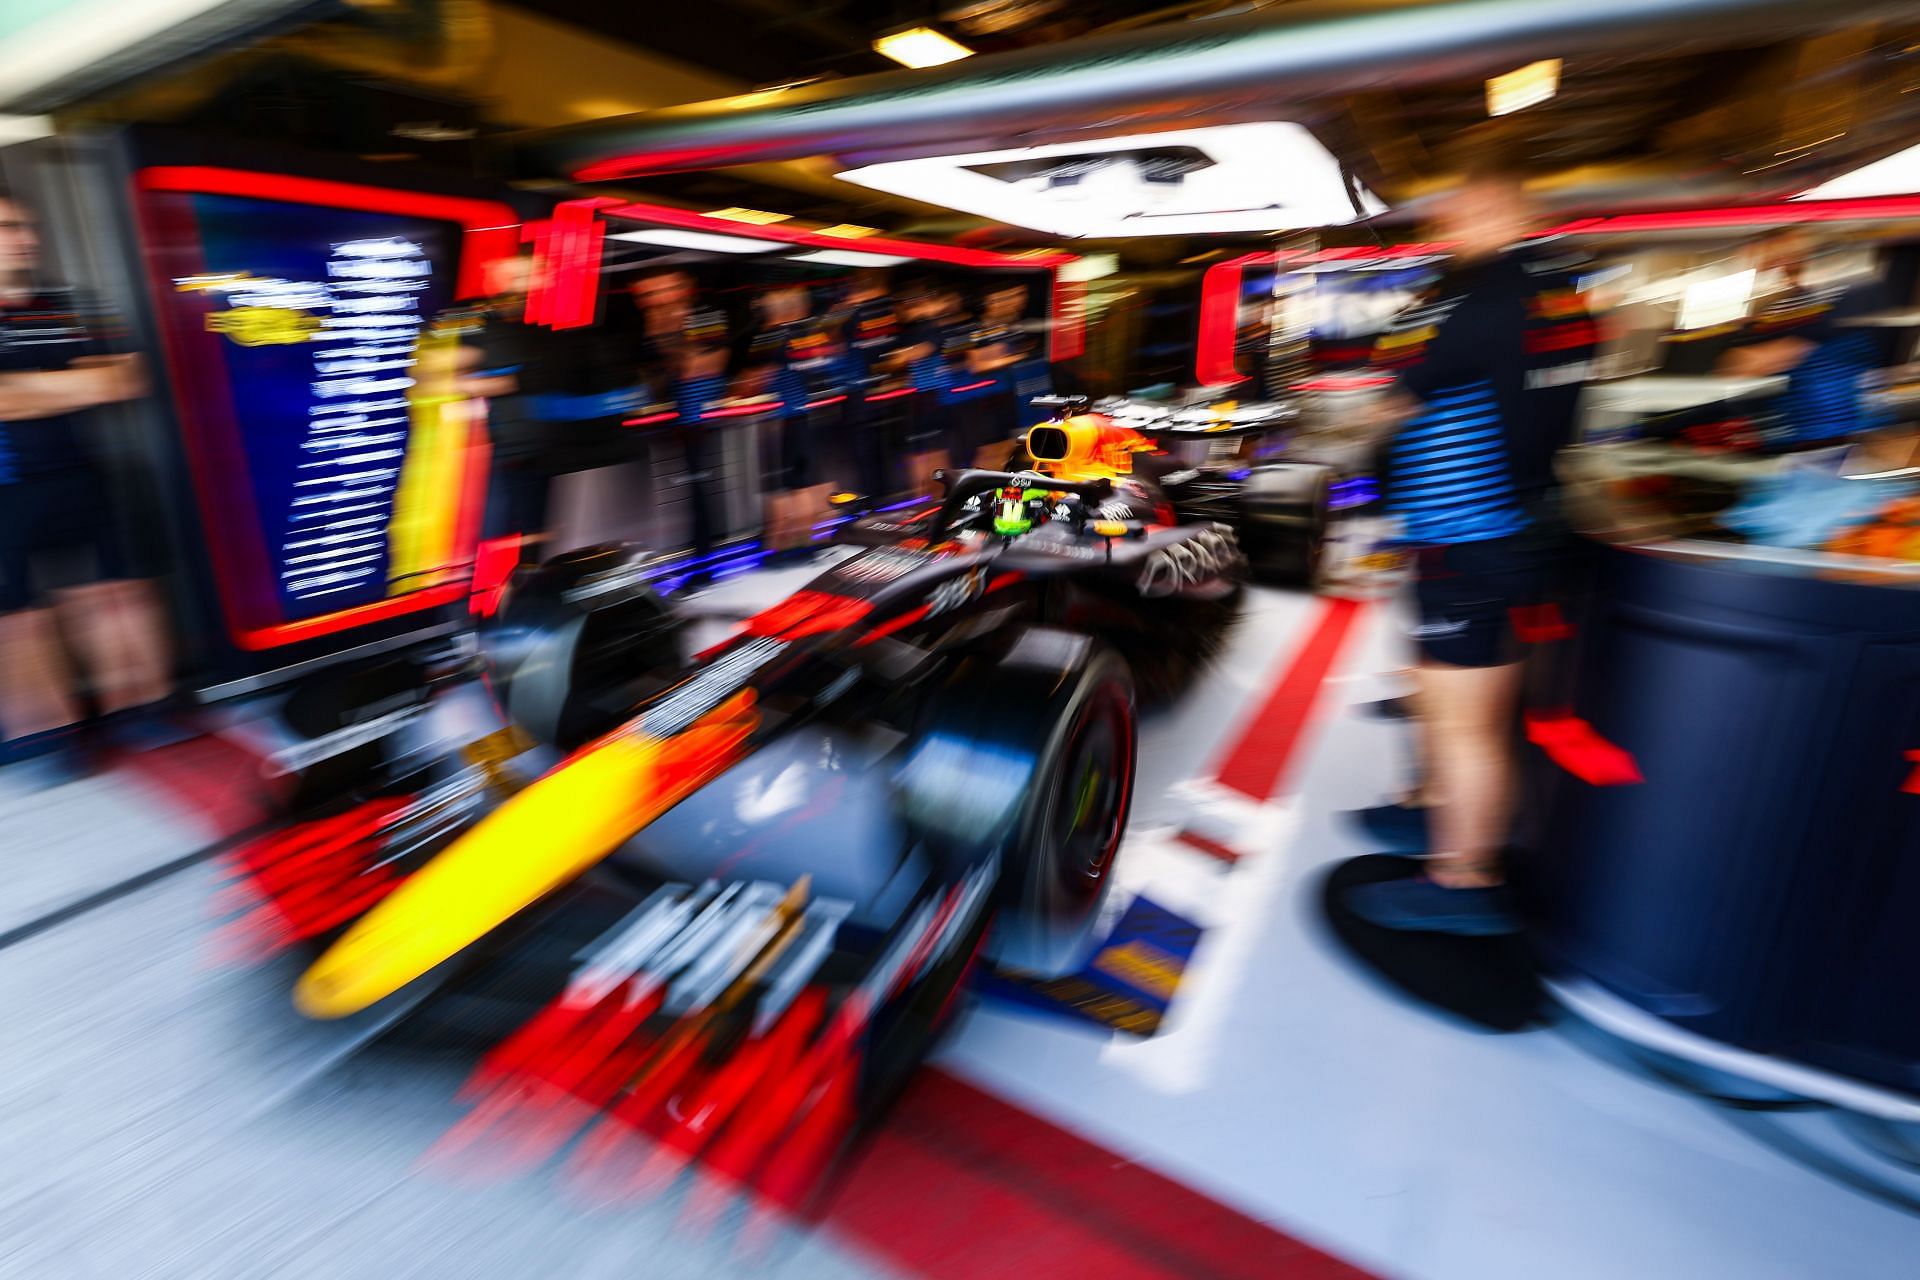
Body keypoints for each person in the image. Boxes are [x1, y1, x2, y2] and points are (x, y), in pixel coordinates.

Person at [1344, 138, 1598, 936]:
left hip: (1471, 537)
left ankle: (1463, 881)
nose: (1451, 223)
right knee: (1455, 702)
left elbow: (1394, 401)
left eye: (1463, 208)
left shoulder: (1483, 298)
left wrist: (1349, 456)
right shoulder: (1559, 296)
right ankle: (1437, 817)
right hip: (1508, 531)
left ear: (1500, 207)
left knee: (1466, 725)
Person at [0, 188, 167, 778]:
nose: (23, 237)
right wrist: (71, 379)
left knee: (116, 594)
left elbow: (129, 375)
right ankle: (45, 742)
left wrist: (27, 391)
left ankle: (141, 714)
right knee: (16, 622)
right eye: (6, 226)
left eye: (24, 224)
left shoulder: (66, 303)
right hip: (6, 487)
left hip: (79, 475)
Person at [1718, 229, 1894, 446]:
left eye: (1782, 255)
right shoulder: (1781, 308)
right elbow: (1738, 369)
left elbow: (1766, 358)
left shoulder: (1857, 294)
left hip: (1843, 434)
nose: (1775, 266)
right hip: (1794, 436)